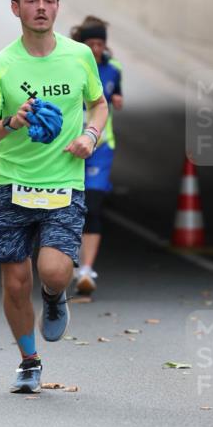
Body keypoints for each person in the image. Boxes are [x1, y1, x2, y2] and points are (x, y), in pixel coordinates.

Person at [0, 0, 108, 394]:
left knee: (53, 270)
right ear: (16, 8)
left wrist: (89, 135)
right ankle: (29, 361)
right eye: (31, 0)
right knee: (15, 281)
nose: (41, 7)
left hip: (64, 184)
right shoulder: (2, 65)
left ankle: (54, 297)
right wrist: (12, 122)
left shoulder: (79, 57)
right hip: (11, 183)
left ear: (57, 7)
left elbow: (99, 104)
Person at [70, 17, 123, 294]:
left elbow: (117, 95)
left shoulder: (114, 69)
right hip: (68, 147)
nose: (96, 49)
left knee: (93, 204)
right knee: (67, 206)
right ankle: (65, 260)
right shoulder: (68, 66)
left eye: (100, 43)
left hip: (100, 147)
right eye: (90, 43)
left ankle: (86, 270)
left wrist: (116, 101)